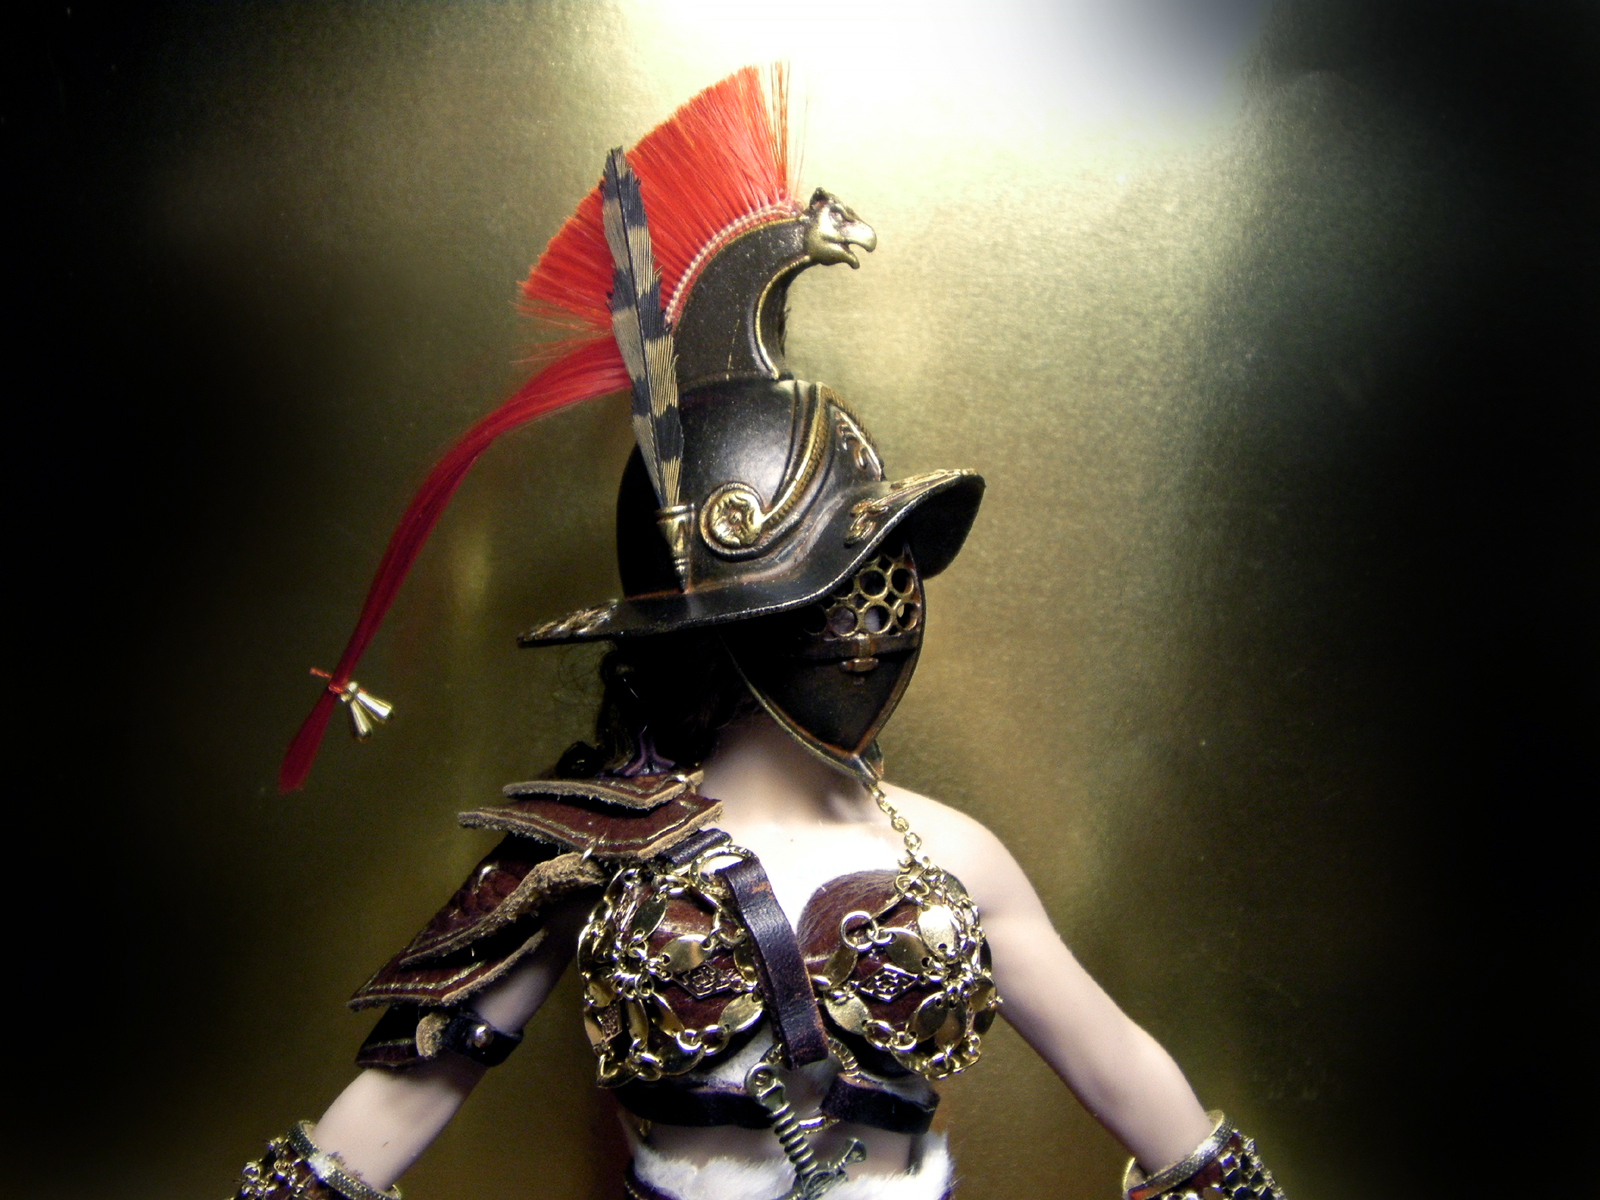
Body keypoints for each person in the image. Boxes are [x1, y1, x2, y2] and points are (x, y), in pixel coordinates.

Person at [239, 67, 1286, 1200]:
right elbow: (417, 1082)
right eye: (832, 589)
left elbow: (1115, 1059)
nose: (869, 622)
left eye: (882, 576)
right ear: (729, 623)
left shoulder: (956, 857)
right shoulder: (593, 851)